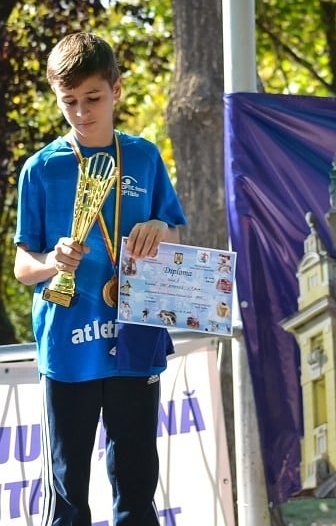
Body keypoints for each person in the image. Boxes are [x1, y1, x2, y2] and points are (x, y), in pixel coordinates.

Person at [13, 32, 186, 525]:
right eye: (69, 102)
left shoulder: (145, 157)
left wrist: (159, 227)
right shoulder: (41, 169)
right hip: (69, 343)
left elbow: (172, 232)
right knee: (68, 491)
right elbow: (25, 267)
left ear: (117, 89)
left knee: (136, 482)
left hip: (134, 336)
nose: (82, 112)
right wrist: (54, 260)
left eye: (93, 98)